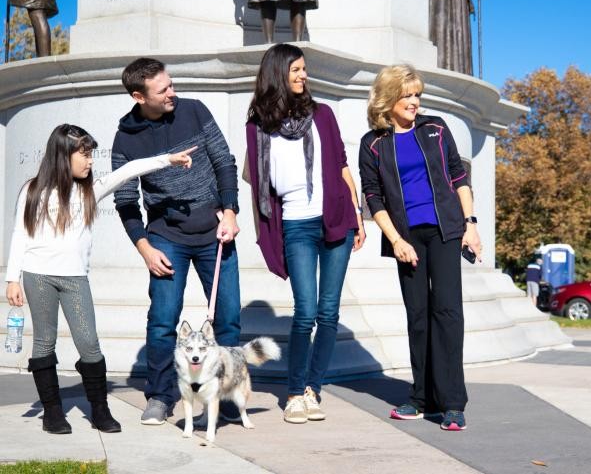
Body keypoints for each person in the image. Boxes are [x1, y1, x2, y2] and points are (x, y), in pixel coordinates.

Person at [4, 124, 195, 434]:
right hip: (37, 276)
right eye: (84, 154)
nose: (90, 161)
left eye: (91, 154)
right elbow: (20, 234)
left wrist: (167, 160)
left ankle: (99, 409)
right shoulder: (32, 189)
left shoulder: (89, 190)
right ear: (63, 156)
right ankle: (53, 412)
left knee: (89, 344)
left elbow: (130, 170)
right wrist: (12, 278)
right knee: (43, 343)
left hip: (75, 278)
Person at [111, 58, 241, 425]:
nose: (173, 92)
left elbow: (224, 162)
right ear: (139, 96)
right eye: (163, 89)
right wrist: (145, 248)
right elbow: (125, 202)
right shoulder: (125, 139)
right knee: (163, 321)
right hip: (166, 237)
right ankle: (160, 395)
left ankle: (226, 394)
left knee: (228, 319)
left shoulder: (195, 111)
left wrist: (230, 211)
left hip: (215, 231)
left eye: (171, 84)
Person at [245, 43, 364, 423]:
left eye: (304, 69)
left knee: (328, 312)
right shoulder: (259, 126)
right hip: (296, 223)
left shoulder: (323, 115)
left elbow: (343, 168)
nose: (303, 75)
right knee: (305, 312)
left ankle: (312, 387)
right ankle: (294, 392)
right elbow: (254, 178)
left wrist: (358, 216)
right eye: (296, 69)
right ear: (277, 73)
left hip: (335, 219)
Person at [358, 64, 481, 431]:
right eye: (407, 94)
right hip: (407, 238)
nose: (414, 101)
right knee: (418, 316)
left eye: (417, 95)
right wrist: (395, 240)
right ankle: (421, 397)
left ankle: (453, 403)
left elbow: (459, 177)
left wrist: (470, 225)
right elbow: (372, 197)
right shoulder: (374, 143)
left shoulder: (436, 128)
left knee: (447, 313)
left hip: (445, 231)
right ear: (388, 97)